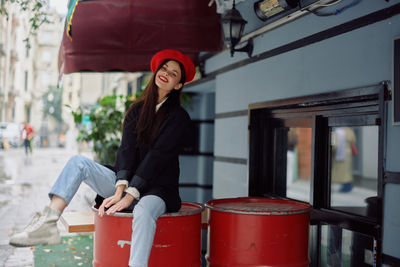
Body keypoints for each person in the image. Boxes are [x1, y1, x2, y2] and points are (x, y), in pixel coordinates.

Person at [9, 49, 195, 267]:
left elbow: (158, 157)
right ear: (155, 72)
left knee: (143, 210)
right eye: (164, 68)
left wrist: (128, 197)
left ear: (178, 85)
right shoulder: (137, 110)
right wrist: (119, 191)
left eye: (173, 74)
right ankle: (49, 223)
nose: (166, 74)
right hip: (127, 185)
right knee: (78, 163)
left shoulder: (179, 118)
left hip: (159, 190)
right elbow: (126, 151)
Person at [331, 127, 357, 193]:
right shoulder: (349, 130)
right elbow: (353, 140)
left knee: (338, 171)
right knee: (346, 171)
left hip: (338, 153)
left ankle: (347, 186)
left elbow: (334, 144)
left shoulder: (336, 131)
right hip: (347, 153)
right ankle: (347, 186)